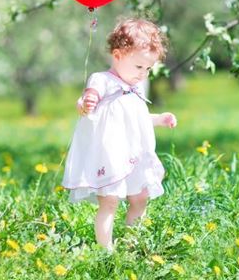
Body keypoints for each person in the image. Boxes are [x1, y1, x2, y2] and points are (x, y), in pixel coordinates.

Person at [62, 18, 177, 251]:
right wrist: (87, 101)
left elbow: (137, 120)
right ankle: (106, 250)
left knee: (141, 197)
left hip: (134, 155)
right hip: (110, 156)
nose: (143, 74)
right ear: (117, 55)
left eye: (147, 69)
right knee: (110, 202)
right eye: (138, 67)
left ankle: (132, 242)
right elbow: (85, 102)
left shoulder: (136, 88)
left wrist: (160, 119)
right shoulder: (102, 80)